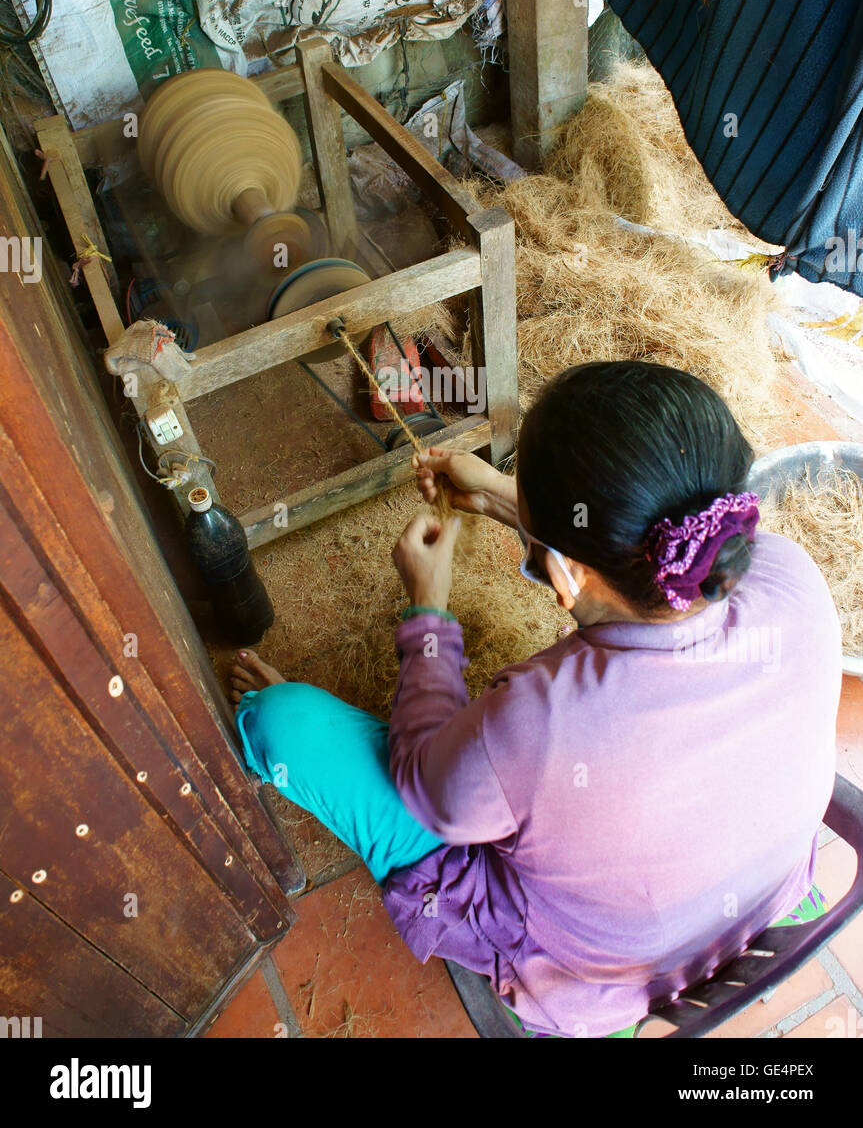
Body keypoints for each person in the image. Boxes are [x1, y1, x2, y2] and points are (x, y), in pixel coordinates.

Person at [230, 360, 841, 1037]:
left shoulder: (536, 721)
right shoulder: (789, 574)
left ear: (562, 573)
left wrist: (428, 609)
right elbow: (626, 571)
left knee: (282, 722)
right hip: (761, 892)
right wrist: (498, 496)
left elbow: (433, 792)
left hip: (595, 977)